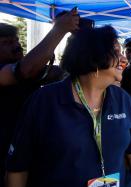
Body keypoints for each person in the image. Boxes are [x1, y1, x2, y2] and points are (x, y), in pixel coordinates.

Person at [6, 26, 131, 187]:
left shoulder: (123, 100)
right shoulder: (44, 102)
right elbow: (18, 167)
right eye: (116, 52)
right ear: (95, 57)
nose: (124, 59)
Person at [0, 10, 78, 187]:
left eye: (16, 41)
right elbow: (25, 69)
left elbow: (60, 73)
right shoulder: (9, 72)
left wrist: (75, 43)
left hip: (28, 151)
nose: (16, 46)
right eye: (6, 43)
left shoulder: (27, 72)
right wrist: (59, 29)